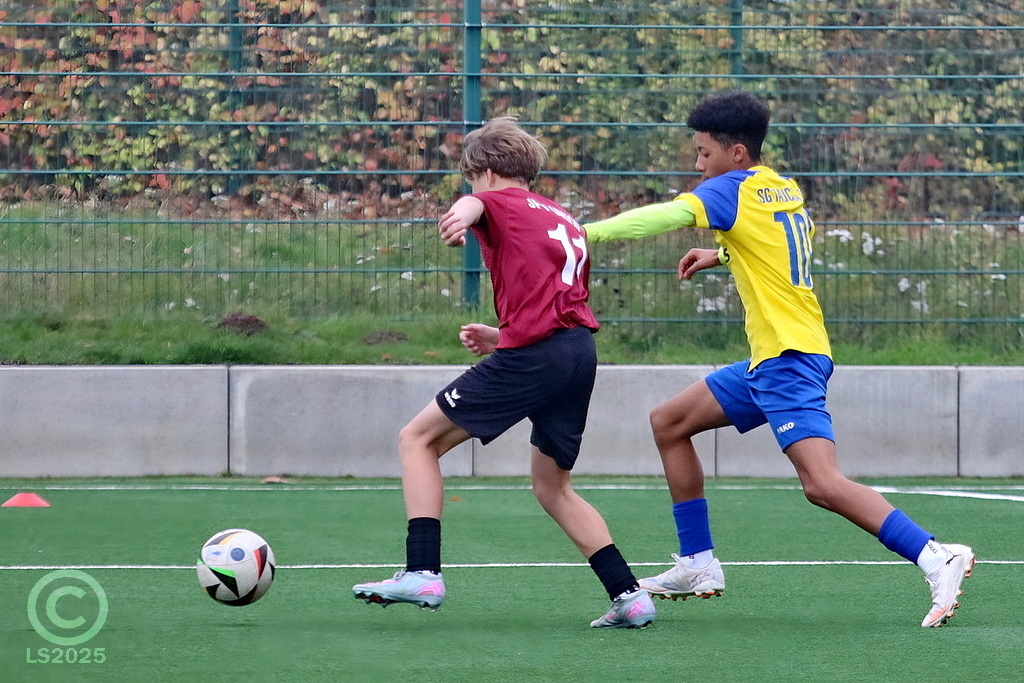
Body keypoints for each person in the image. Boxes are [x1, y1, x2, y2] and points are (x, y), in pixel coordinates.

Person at [583, 90, 975, 628]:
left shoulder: (726, 189)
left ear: (736, 153)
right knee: (669, 422)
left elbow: (666, 216)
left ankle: (936, 555)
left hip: (788, 360)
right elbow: (781, 241)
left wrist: (584, 232)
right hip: (776, 357)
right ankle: (697, 564)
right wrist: (723, 253)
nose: (698, 165)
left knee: (822, 484)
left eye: (703, 153)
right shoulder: (781, 187)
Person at [352, 117, 655, 629]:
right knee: (553, 487)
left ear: (487, 173)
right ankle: (630, 595)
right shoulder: (561, 216)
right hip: (576, 352)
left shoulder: (495, 200)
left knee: (417, 440)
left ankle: (422, 571)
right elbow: (554, 300)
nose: (472, 191)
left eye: (471, 180)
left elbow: (479, 206)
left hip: (538, 358)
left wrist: (459, 214)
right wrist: (503, 335)